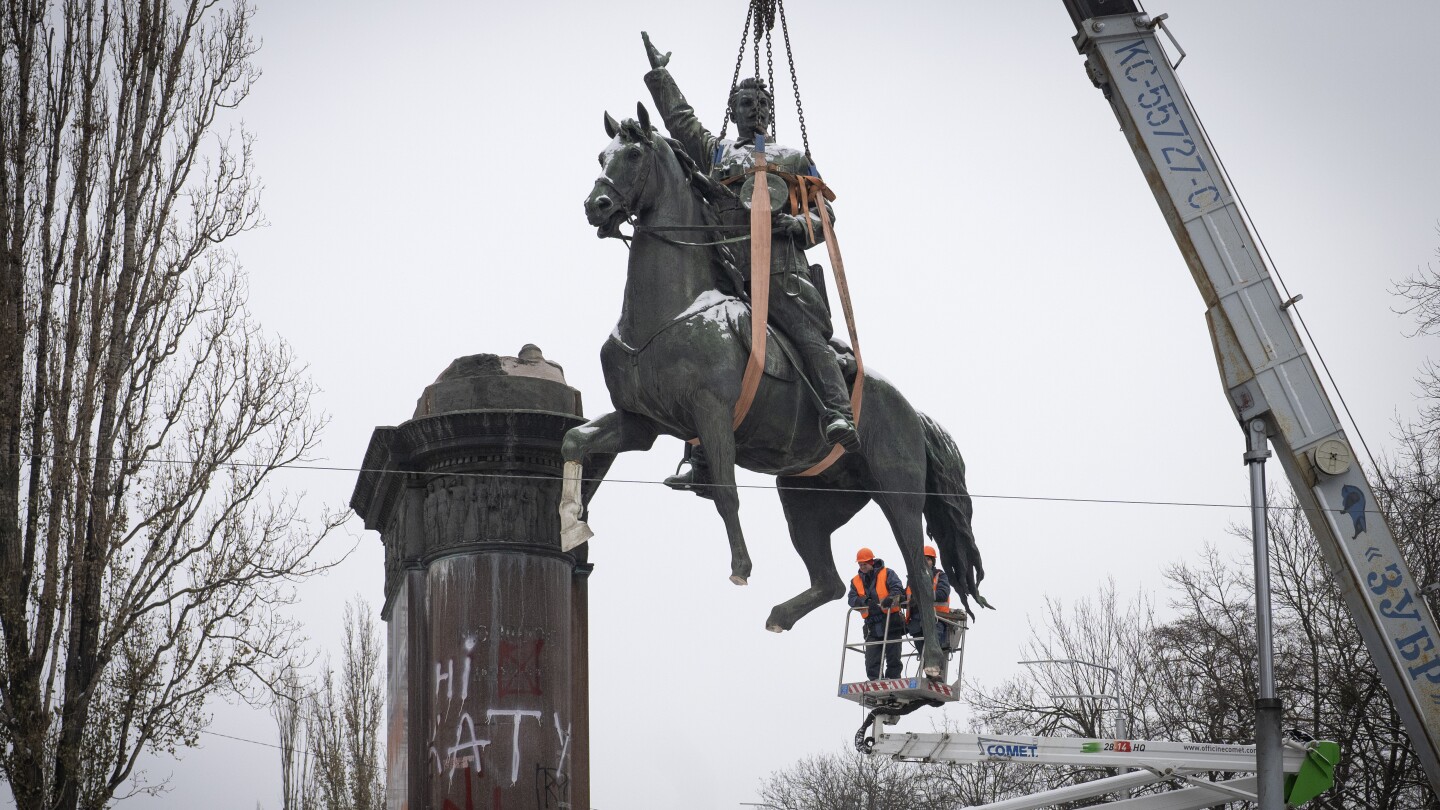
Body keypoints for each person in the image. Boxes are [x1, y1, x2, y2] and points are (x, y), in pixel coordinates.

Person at [640, 32, 859, 500]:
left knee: (803, 333)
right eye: (746, 103)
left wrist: (795, 228)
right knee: (696, 356)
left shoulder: (792, 157)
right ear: (734, 109)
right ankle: (699, 455)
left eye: (761, 103)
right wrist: (661, 76)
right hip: (727, 274)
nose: (754, 109)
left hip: (781, 272)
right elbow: (681, 122)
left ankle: (838, 411)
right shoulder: (718, 154)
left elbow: (826, 214)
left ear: (769, 111)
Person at [847, 547, 905, 680]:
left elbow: (897, 589)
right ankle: (875, 680)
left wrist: (889, 599)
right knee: (871, 658)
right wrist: (865, 602)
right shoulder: (855, 581)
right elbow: (851, 599)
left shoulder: (888, 573)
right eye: (860, 564)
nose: (862, 567)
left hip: (890, 621)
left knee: (893, 655)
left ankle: (893, 679)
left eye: (864, 564)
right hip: (872, 625)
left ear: (871, 562)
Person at [906, 545, 953, 676]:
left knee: (933, 651)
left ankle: (936, 674)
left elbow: (942, 593)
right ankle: (931, 675)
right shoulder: (912, 578)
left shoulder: (940, 576)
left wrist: (923, 596)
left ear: (933, 561)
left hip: (935, 619)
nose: (925, 561)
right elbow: (906, 596)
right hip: (916, 621)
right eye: (923, 559)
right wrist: (895, 599)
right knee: (923, 653)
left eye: (928, 559)